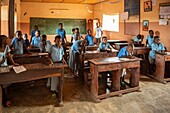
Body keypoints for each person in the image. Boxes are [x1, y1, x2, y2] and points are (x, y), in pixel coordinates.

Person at [0, 35, 19, 107]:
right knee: (2, 84)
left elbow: (9, 56)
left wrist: (14, 63)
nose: (8, 40)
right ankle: (3, 99)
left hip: (5, 67)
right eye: (6, 39)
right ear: (2, 40)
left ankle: (6, 99)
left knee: (6, 84)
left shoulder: (6, 47)